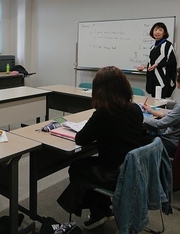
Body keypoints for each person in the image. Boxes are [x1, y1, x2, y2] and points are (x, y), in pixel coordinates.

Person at [57, 66, 143, 230]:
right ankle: (102, 209)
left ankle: (99, 211)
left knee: (77, 167)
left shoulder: (104, 114)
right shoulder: (135, 109)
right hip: (130, 167)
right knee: (83, 167)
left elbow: (80, 139)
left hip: (114, 173)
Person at [141, 67, 180, 157]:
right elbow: (171, 116)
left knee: (139, 140)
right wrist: (151, 110)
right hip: (174, 143)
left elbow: (160, 124)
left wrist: (142, 117)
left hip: (171, 144)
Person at [137, 22, 177, 98]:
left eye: (160, 30)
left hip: (163, 80)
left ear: (164, 32)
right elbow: (152, 62)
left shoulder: (168, 45)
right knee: (154, 102)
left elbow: (172, 62)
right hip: (153, 79)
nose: (157, 32)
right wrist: (144, 67)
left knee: (160, 103)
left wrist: (157, 65)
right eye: (155, 30)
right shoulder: (153, 46)